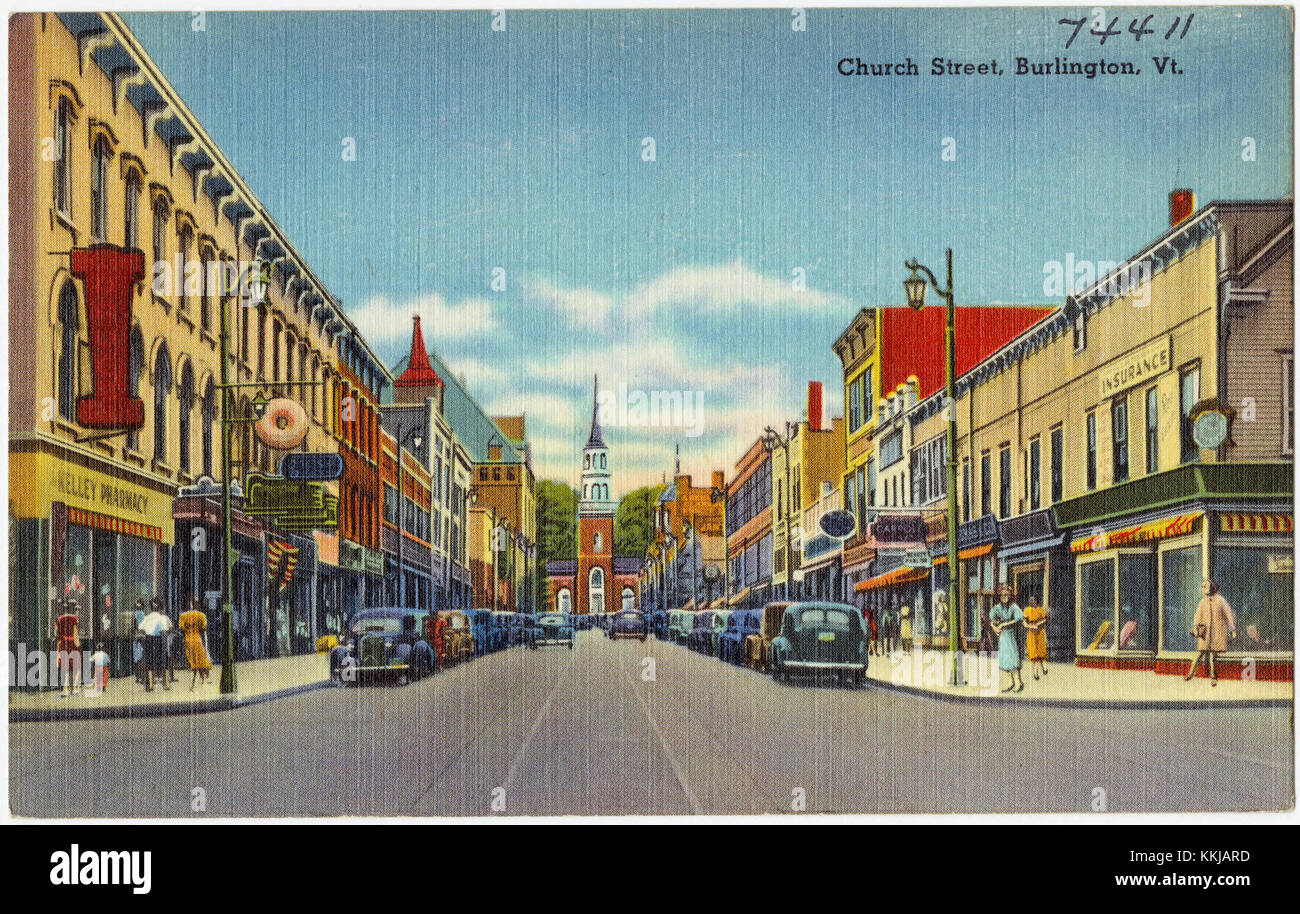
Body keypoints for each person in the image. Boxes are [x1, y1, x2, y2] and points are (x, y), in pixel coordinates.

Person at [1185, 579, 1236, 686]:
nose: (1203, 588)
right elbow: (1198, 616)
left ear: (1212, 587)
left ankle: (1213, 677)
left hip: (1217, 632)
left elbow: (1229, 614)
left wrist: (1232, 628)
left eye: (1205, 586)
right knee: (1199, 654)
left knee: (1213, 656)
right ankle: (1190, 674)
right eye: (1202, 586)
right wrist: (1195, 627)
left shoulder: (1221, 600)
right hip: (1205, 632)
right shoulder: (1203, 601)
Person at [989, 584, 1026, 693]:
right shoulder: (997, 608)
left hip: (1011, 635)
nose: (1005, 597)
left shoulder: (1013, 607)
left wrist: (1004, 624)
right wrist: (994, 627)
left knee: (1012, 659)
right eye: (1002, 595)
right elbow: (991, 618)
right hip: (1002, 636)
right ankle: (1011, 682)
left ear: (1010, 596)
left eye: (1007, 595)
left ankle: (1018, 683)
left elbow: (1019, 618)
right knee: (1005, 660)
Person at [179, 600, 213, 690]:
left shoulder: (183, 616)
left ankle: (199, 682)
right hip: (198, 640)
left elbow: (182, 629)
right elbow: (204, 628)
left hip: (188, 641)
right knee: (201, 662)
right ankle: (199, 682)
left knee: (194, 663)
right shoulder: (202, 616)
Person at [54, 607, 81, 697]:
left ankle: (65, 690)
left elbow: (56, 633)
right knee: (76, 668)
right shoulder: (74, 618)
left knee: (65, 669)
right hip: (72, 644)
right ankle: (75, 689)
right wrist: (78, 644)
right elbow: (75, 633)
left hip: (62, 645)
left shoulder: (59, 619)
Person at [1024, 603, 1049, 679]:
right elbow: (1024, 622)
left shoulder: (1041, 610)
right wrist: (1030, 626)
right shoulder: (1027, 610)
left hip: (1040, 632)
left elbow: (1045, 619)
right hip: (1031, 632)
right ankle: (1036, 673)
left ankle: (1044, 668)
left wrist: (1038, 624)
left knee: (1042, 651)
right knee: (1033, 653)